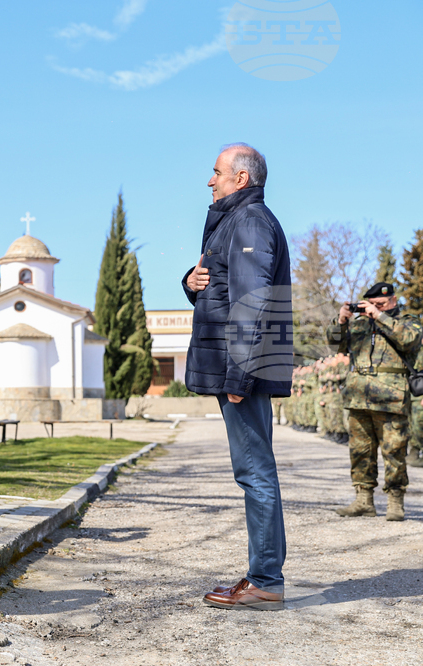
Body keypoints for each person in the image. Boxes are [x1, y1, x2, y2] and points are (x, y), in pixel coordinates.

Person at [182, 144, 292, 611]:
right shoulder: (234, 222)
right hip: (238, 366)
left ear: (241, 178)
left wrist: (240, 375)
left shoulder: (249, 222)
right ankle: (263, 574)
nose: (211, 180)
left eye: (217, 172)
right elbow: (224, 288)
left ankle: (265, 579)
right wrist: (190, 281)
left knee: (254, 472)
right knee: (254, 470)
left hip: (242, 369)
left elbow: (254, 303)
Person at [327, 283, 421, 520]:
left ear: (393, 300)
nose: (375, 308)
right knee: (360, 451)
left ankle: (395, 502)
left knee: (395, 451)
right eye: (373, 305)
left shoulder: (407, 320)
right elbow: (336, 344)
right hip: (359, 396)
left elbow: (409, 340)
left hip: (391, 397)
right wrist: (341, 320)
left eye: (381, 304)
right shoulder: (359, 323)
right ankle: (363, 500)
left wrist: (379, 316)